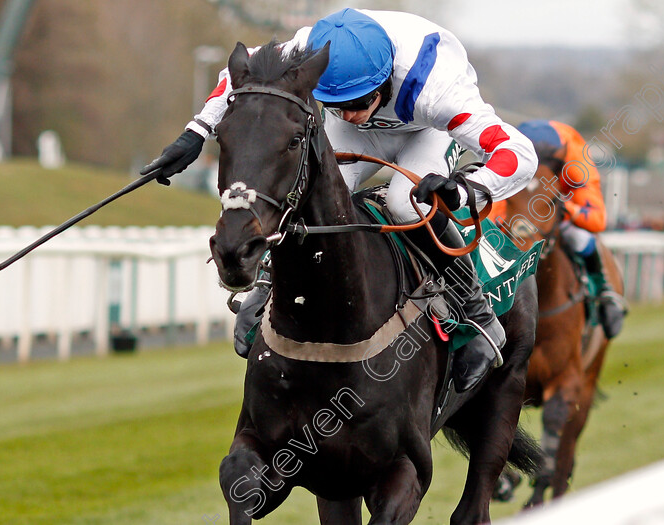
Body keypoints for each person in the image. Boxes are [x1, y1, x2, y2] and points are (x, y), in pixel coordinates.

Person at [141, 8, 538, 392]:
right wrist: (195, 133)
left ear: (383, 83)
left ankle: (477, 313)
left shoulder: (439, 90)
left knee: (404, 202)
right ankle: (268, 283)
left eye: (356, 103)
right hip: (378, 120)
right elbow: (236, 76)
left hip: (424, 131)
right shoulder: (307, 48)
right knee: (315, 194)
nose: (347, 116)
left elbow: (520, 154)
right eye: (336, 105)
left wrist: (468, 188)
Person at [498, 119, 626, 339]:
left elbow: (597, 220)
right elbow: (494, 207)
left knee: (580, 238)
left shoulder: (576, 158)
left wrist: (564, 207)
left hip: (558, 204)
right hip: (519, 204)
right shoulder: (504, 151)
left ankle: (604, 291)